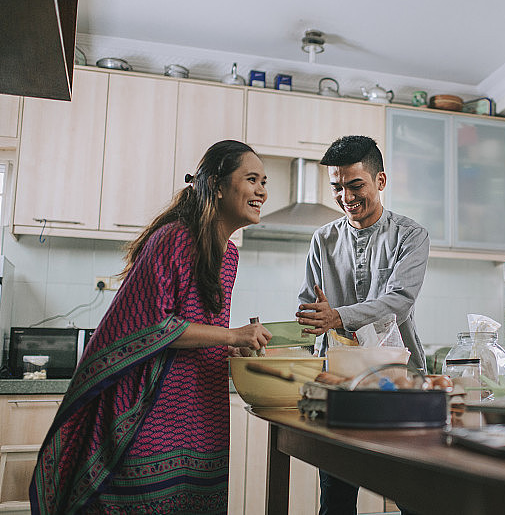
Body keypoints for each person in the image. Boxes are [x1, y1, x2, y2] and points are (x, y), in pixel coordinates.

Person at [29, 140, 272, 514]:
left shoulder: (231, 255)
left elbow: (201, 327)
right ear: (219, 186)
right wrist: (231, 335)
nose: (262, 191)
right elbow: (152, 325)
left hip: (201, 408)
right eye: (251, 179)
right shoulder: (174, 238)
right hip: (148, 408)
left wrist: (230, 346)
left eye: (264, 182)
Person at [295, 135, 429, 515]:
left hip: (400, 385)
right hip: (339, 387)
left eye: (356, 185)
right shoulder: (322, 239)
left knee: (413, 496)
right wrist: (309, 318)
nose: (346, 197)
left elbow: (400, 302)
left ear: (380, 181)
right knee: (336, 501)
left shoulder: (411, 235)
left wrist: (338, 316)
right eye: (337, 187)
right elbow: (309, 303)